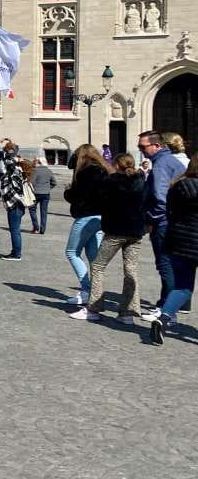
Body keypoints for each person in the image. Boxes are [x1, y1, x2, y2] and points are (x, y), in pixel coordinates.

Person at [69, 153, 145, 323]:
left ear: (117, 165)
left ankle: (93, 308)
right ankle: (128, 313)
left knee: (98, 266)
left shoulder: (111, 181)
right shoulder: (140, 180)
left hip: (116, 230)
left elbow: (102, 201)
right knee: (130, 270)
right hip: (135, 231)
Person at [146, 157, 198, 344]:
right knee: (183, 286)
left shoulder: (177, 185)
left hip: (179, 240)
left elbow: (169, 212)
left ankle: (163, 319)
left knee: (182, 286)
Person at [139, 130, 187, 317]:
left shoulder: (160, 166)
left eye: (143, 147)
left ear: (157, 146)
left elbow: (160, 199)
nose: (141, 150)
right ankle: (169, 304)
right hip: (177, 220)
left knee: (165, 264)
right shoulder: (173, 161)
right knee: (173, 264)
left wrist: (151, 220)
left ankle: (167, 309)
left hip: (164, 222)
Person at [62, 144, 110, 305]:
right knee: (93, 257)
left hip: (86, 215)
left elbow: (79, 196)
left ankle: (87, 289)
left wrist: (68, 192)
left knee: (72, 252)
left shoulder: (85, 172)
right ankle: (96, 292)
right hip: (100, 216)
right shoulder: (103, 169)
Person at [0, 142, 28, 261]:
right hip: (19, 203)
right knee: (16, 229)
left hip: (14, 204)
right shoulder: (20, 169)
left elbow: (6, 187)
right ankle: (15, 252)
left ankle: (16, 254)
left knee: (15, 230)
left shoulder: (10, 173)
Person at [29, 157, 56, 234]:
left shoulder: (35, 171)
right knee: (44, 212)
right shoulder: (49, 171)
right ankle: (42, 229)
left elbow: (32, 183)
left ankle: (36, 226)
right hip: (46, 194)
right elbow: (54, 183)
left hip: (36, 194)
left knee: (32, 209)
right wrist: (48, 188)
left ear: (39, 162)